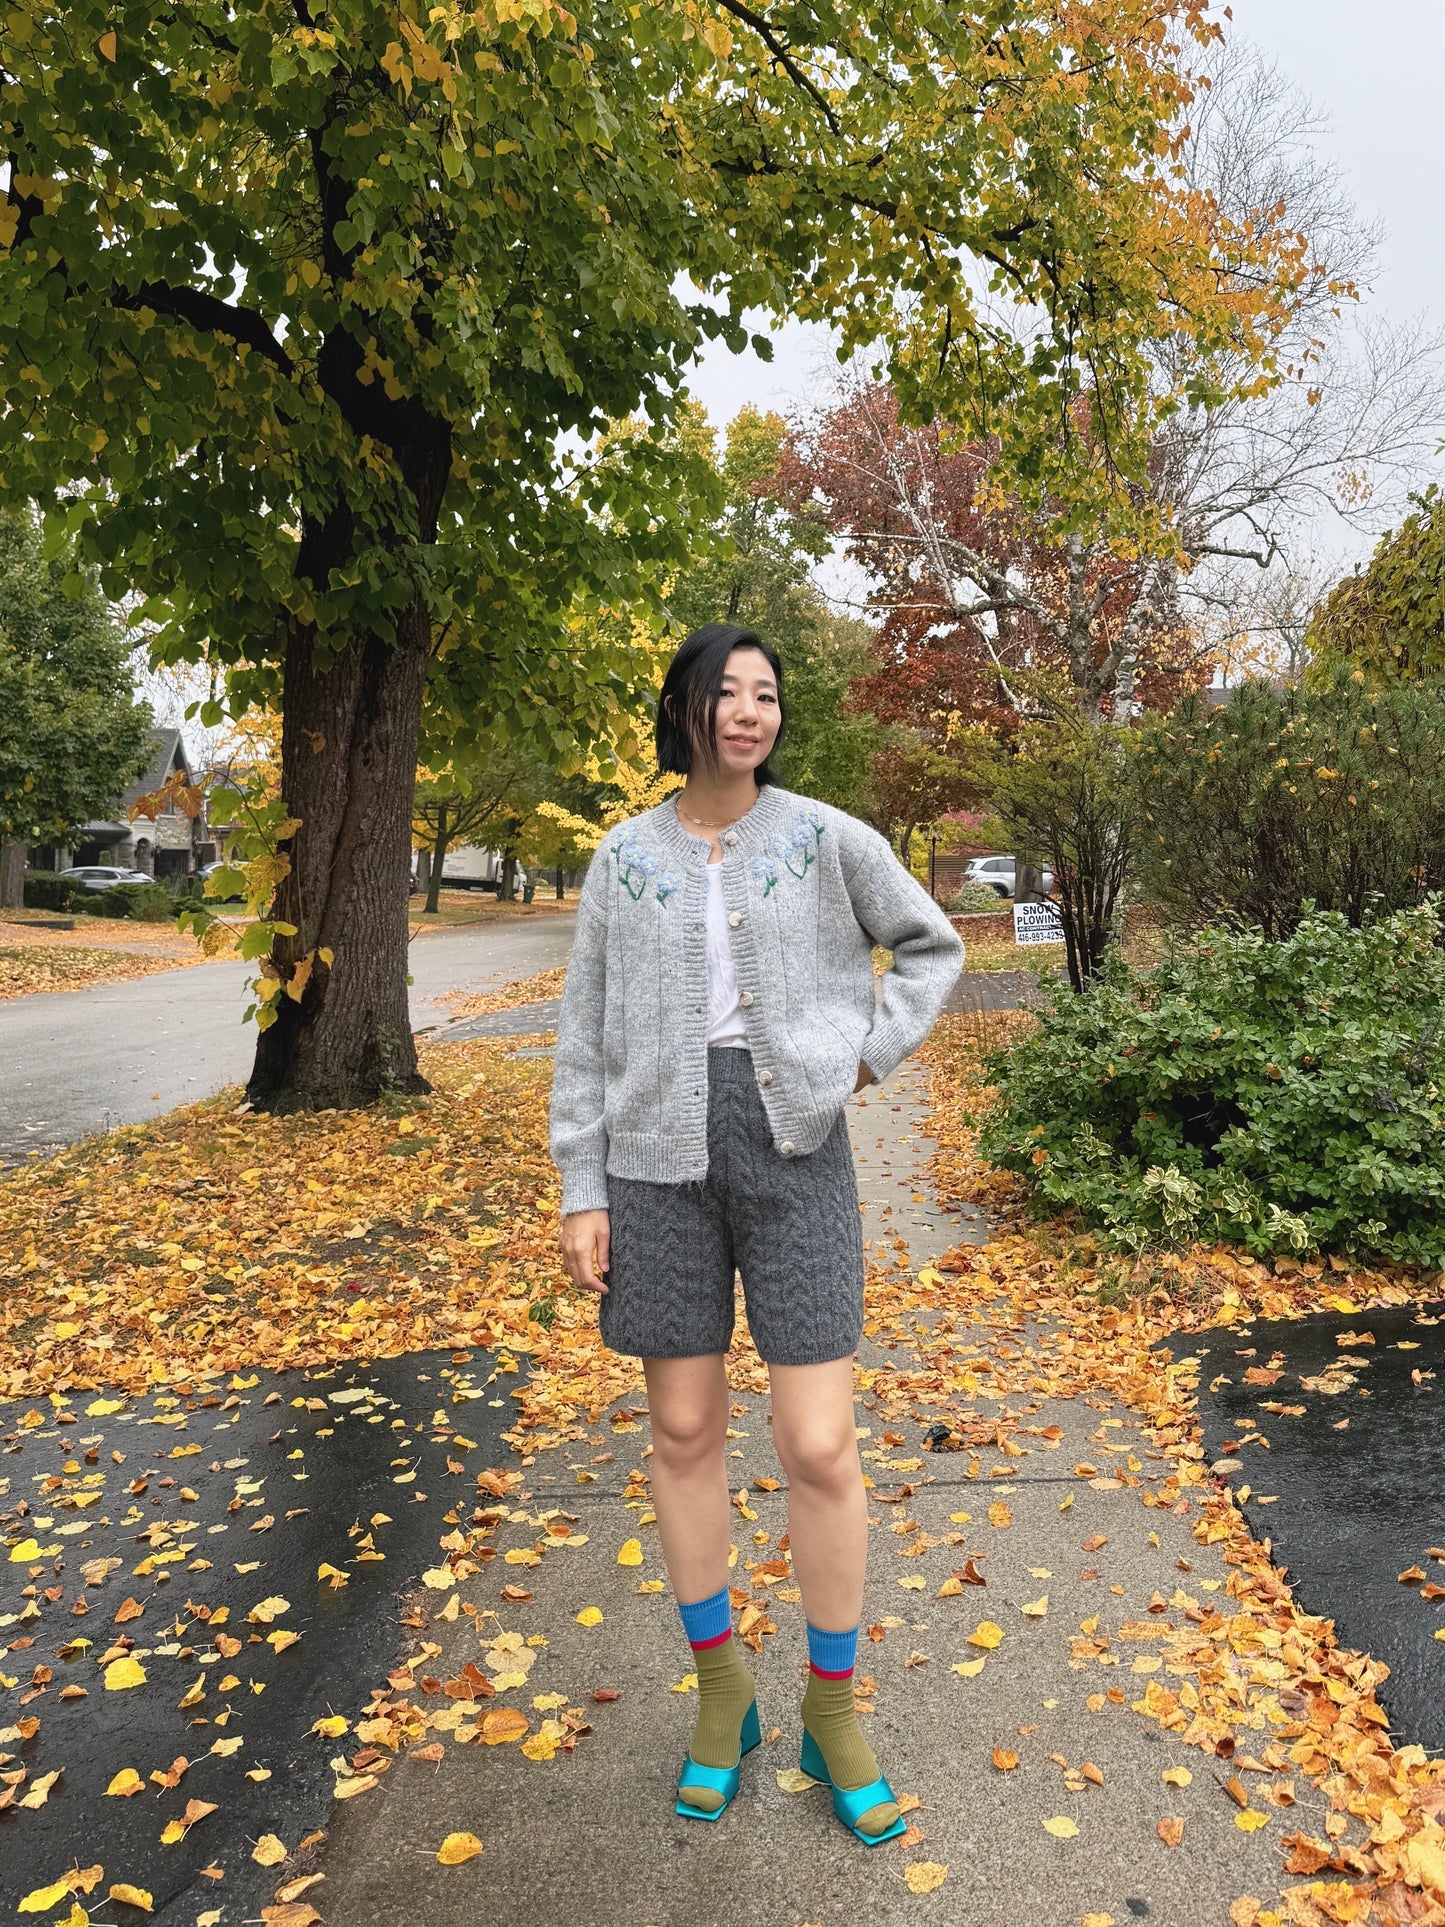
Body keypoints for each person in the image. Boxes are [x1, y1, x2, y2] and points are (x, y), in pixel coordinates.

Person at [549, 622, 963, 1844]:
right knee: (680, 1431)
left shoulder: (827, 838)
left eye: (765, 694)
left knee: (819, 1442)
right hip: (653, 1161)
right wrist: (583, 1184)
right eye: (724, 691)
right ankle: (722, 1694)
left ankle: (831, 1707)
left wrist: (860, 1053)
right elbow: (583, 1033)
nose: (747, 711)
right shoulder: (620, 860)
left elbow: (930, 947)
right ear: (681, 706)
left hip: (795, 1153)